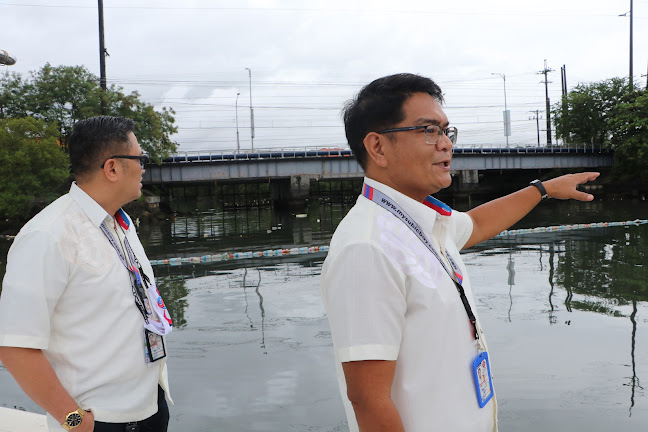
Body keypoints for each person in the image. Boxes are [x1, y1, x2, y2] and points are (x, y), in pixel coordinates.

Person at [320, 73, 599, 432]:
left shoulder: (420, 224)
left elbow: (478, 224)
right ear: (377, 147)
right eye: (428, 130)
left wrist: (543, 189)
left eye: (446, 131)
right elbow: (368, 400)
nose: (445, 144)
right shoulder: (367, 247)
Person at [0, 116, 173, 432]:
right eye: (140, 159)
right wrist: (76, 422)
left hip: (149, 406)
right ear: (112, 168)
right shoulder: (47, 235)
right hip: (100, 422)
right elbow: (15, 348)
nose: (144, 168)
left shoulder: (120, 223)